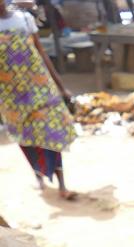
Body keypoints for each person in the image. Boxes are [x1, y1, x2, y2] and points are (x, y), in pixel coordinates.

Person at [0, 0, 77, 200]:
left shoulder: (24, 20)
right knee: (25, 138)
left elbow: (41, 53)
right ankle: (39, 177)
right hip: (10, 96)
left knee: (50, 132)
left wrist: (61, 87)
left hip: (39, 88)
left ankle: (62, 184)